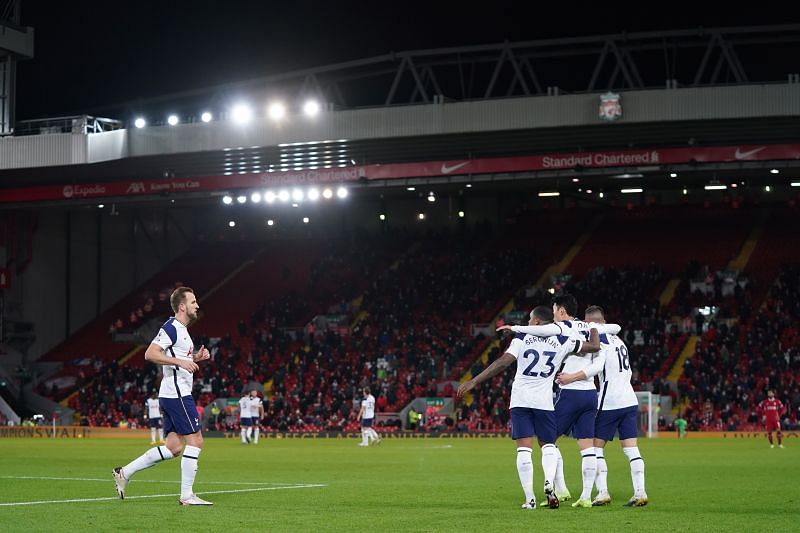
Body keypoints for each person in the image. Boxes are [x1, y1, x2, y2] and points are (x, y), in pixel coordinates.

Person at [461, 305, 600, 510]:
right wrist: (594, 326)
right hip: (544, 402)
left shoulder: (522, 338)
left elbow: (503, 362)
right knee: (549, 445)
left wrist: (475, 381)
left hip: (521, 400)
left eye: (529, 320)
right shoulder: (564, 340)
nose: (526, 323)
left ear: (536, 322)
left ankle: (530, 499)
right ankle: (549, 483)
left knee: (524, 449)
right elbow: (594, 346)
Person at [498, 294, 621, 508]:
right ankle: (587, 496)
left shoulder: (561, 328)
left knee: (547, 441)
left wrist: (517, 328)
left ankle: (560, 489)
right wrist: (594, 326)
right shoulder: (591, 327)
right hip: (590, 392)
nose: (553, 313)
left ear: (562, 311)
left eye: (555, 309)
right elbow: (614, 331)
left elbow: (542, 330)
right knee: (587, 446)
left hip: (568, 391)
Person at [113, 287, 213, 505]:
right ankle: (187, 496)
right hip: (177, 394)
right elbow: (151, 353)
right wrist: (181, 362)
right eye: (193, 302)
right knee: (196, 441)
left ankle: (125, 472)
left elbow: (178, 360)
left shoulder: (182, 330)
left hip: (171, 393)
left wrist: (196, 357)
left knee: (174, 447)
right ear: (182, 306)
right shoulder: (172, 327)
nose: (197, 305)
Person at [557, 305, 648, 507]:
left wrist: (571, 377)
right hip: (629, 400)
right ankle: (640, 492)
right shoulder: (619, 340)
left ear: (590, 324)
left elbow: (597, 367)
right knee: (631, 449)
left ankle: (603, 492)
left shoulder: (602, 340)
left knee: (595, 449)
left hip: (609, 402)